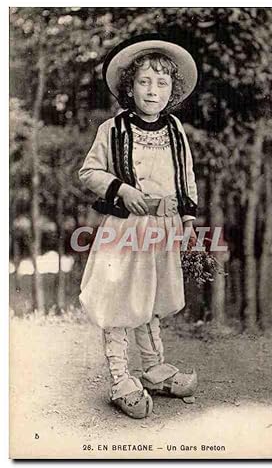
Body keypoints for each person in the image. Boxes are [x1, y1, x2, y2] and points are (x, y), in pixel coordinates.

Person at [78, 35, 199, 419]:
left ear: (172, 92)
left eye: (162, 83)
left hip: (161, 229)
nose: (153, 90)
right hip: (124, 229)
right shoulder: (113, 130)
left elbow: (186, 178)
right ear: (129, 87)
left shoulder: (176, 130)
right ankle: (120, 378)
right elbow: (89, 171)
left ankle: (153, 368)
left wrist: (188, 219)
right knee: (119, 301)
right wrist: (121, 188)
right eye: (144, 81)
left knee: (150, 299)